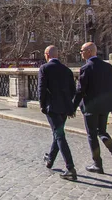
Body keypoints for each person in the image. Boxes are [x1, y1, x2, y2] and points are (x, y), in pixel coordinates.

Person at [73, 42, 112, 174]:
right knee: (102, 132)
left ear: (89, 52)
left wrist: (72, 107)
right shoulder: (107, 66)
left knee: (92, 135)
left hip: (91, 107)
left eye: (82, 50)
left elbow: (80, 90)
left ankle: (97, 164)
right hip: (106, 105)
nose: (81, 53)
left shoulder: (86, 68)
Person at [38, 46, 77, 181]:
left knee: (60, 136)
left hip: (52, 108)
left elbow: (42, 89)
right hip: (64, 108)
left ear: (47, 55)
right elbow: (73, 90)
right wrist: (69, 105)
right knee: (57, 133)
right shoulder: (67, 70)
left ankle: (70, 167)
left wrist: (42, 105)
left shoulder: (44, 68)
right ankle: (50, 160)